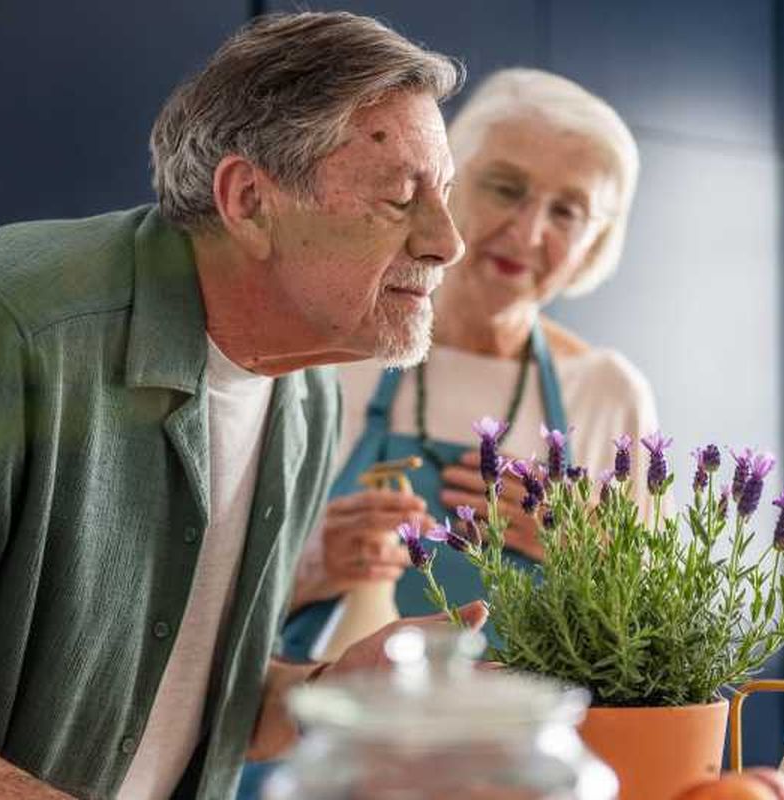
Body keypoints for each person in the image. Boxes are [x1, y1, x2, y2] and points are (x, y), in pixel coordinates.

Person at [0, 12, 482, 800]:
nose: (448, 241)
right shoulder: (4, 328)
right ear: (249, 200)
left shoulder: (309, 388)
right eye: (400, 199)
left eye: (444, 196)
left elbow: (171, 706)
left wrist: (333, 697)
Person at [239, 70, 660, 796]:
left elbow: (656, 661)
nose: (527, 232)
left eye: (568, 211)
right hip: (331, 768)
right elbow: (199, 616)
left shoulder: (607, 395)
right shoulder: (332, 357)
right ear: (444, 185)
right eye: (505, 187)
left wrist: (588, 553)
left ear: (596, 244)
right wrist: (315, 567)